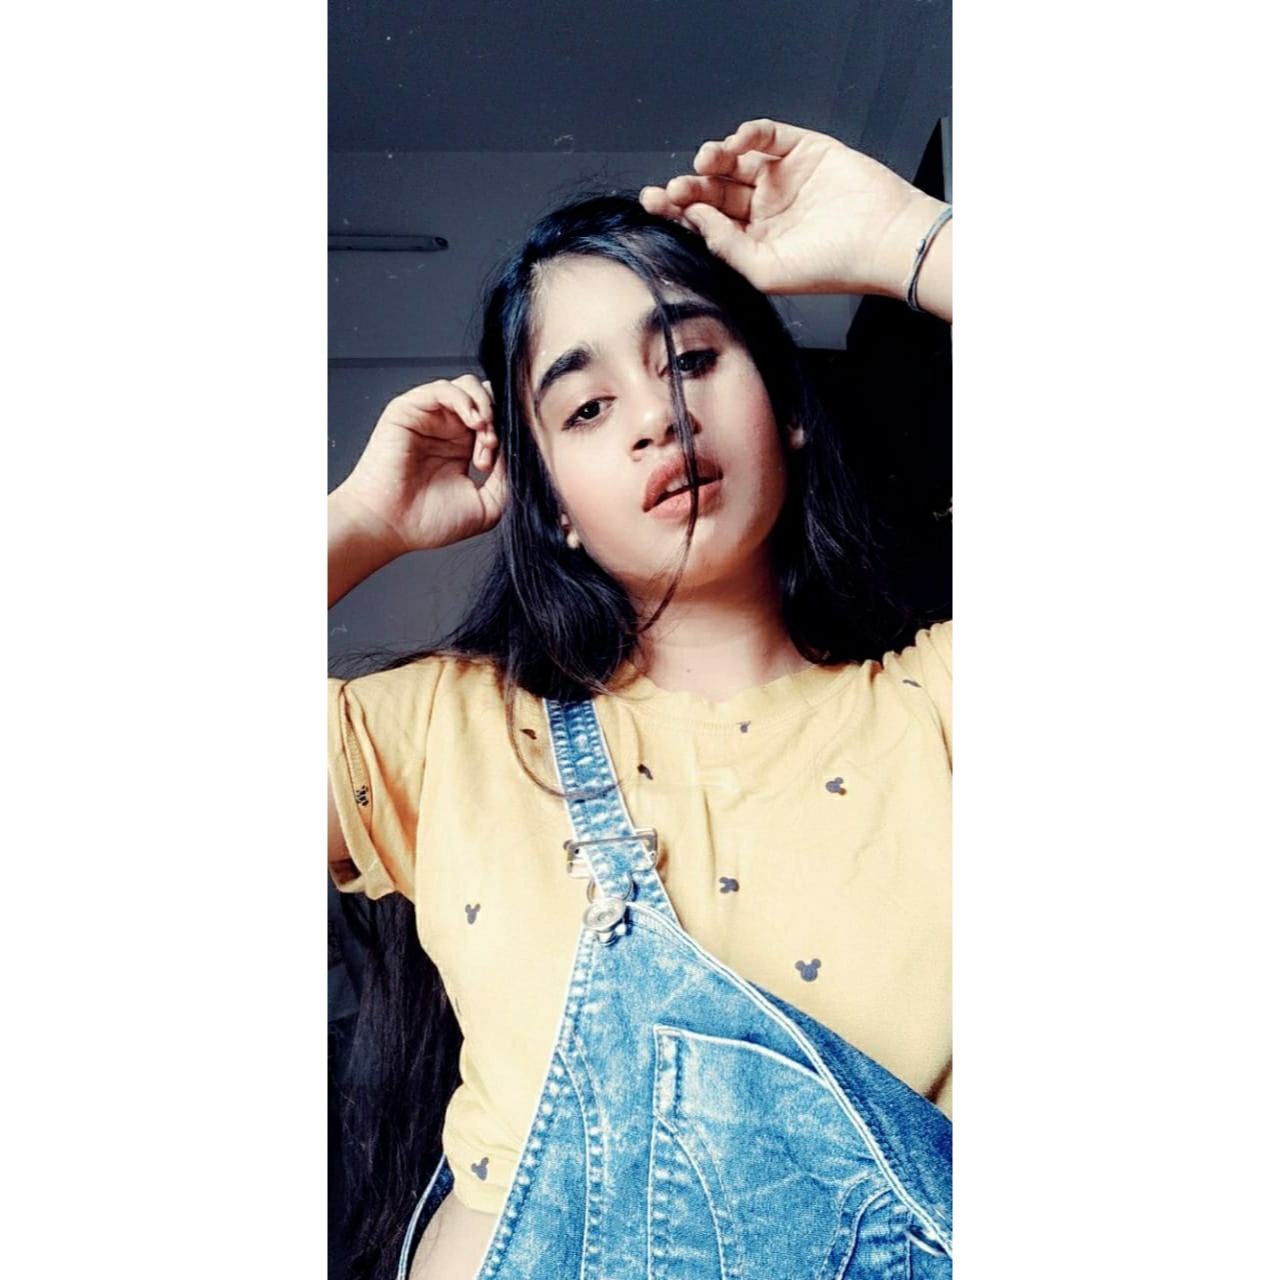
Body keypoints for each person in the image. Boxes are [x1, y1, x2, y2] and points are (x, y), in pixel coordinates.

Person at [328, 118, 953, 1280]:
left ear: (787, 405)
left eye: (693, 359)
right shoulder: (449, 735)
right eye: (583, 407)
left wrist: (905, 243)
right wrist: (356, 524)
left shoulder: (943, 711)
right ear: (550, 502)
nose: (657, 415)